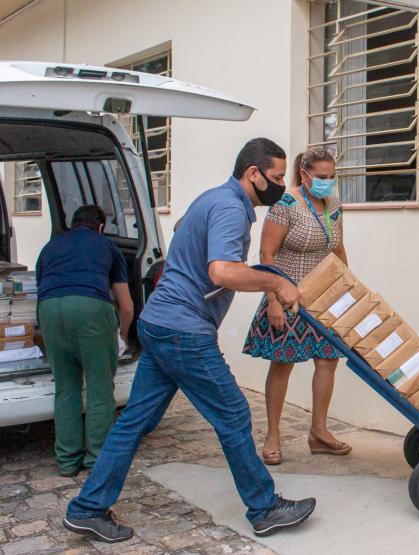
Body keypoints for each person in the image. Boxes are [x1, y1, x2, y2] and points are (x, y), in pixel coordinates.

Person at [64, 138, 317, 543]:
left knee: (134, 420)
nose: (280, 186)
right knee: (233, 414)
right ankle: (264, 508)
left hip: (158, 322)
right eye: (275, 177)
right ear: (253, 173)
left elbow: (184, 227)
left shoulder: (212, 199)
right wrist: (276, 283)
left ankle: (87, 508)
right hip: (184, 331)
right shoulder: (231, 208)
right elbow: (221, 271)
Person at [244, 149, 351, 464]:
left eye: (331, 177)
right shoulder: (284, 205)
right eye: (321, 177)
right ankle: (272, 436)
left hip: (322, 297)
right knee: (282, 364)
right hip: (286, 296)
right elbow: (267, 254)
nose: (327, 182)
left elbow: (339, 250)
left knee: (328, 360)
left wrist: (348, 289)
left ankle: (319, 432)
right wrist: (273, 300)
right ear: (304, 175)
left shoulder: (334, 206)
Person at [36, 205, 134, 477]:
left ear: (73, 224)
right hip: (90, 309)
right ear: (100, 227)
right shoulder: (107, 246)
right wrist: (123, 335)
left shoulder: (51, 247)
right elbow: (126, 306)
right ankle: (96, 460)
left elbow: (43, 287)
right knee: (99, 387)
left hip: (49, 310)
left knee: (65, 388)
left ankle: (67, 461)